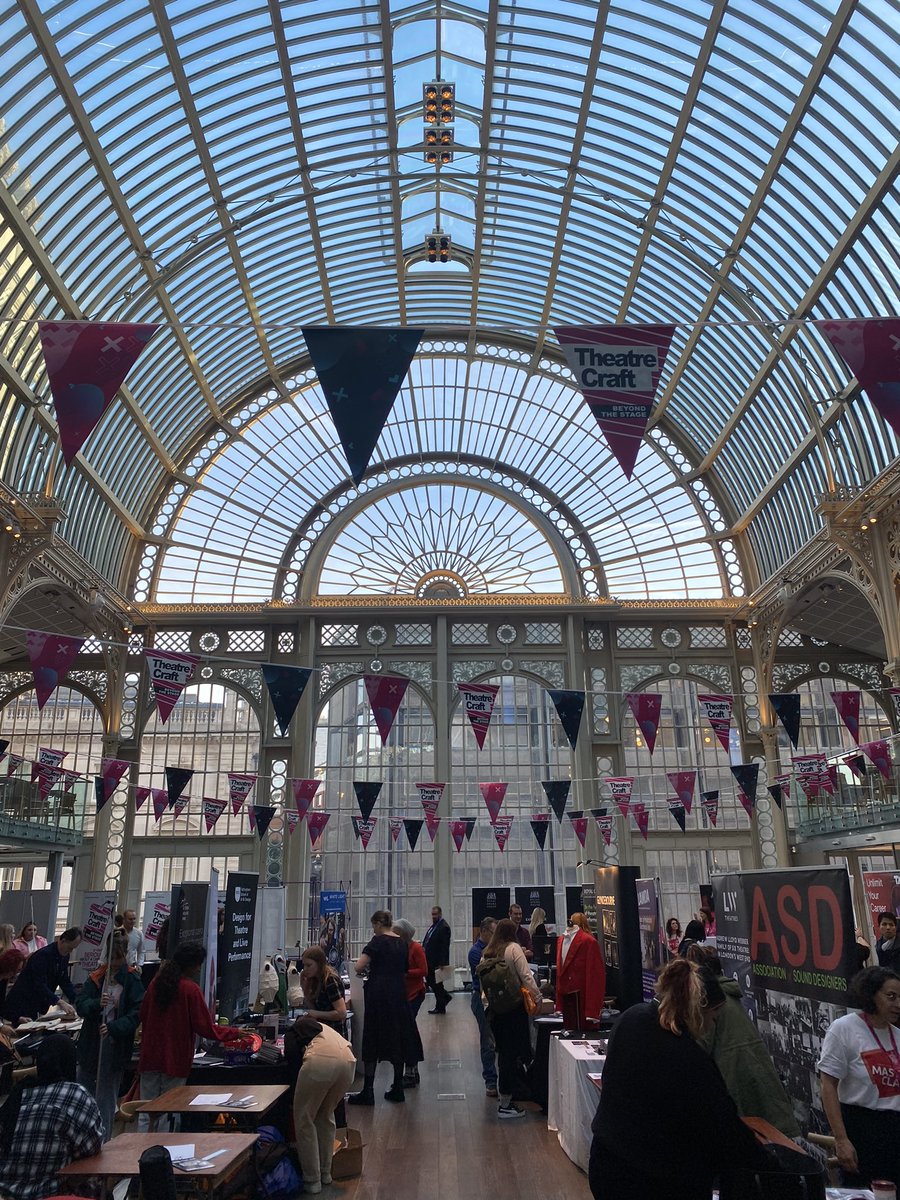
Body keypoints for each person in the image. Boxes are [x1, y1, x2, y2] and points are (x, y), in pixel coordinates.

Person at [589, 958, 768, 1199]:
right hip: (654, 1182)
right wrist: (767, 1162)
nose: (711, 1026)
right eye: (713, 1017)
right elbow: (721, 1127)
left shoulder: (630, 1019)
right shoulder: (688, 1058)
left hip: (606, 1163)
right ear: (698, 1009)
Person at [687, 944, 799, 1138]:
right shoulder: (729, 995)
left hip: (734, 1082)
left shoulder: (711, 1003)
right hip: (754, 1079)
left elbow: (699, 1047)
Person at [818, 965, 900, 1187]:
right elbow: (827, 1085)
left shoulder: (897, 1036)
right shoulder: (844, 1029)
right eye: (891, 996)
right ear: (871, 994)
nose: (898, 1004)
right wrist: (841, 1139)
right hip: (862, 1130)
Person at [0, 1033, 104, 1200]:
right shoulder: (75, 1094)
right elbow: (93, 1147)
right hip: (53, 1194)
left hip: (7, 1193)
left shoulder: (19, 1094)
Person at [138, 941, 242, 1106]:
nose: (199, 969)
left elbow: (143, 1015)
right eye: (198, 965)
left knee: (145, 1109)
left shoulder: (154, 985)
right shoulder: (191, 990)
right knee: (169, 1110)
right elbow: (206, 1029)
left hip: (150, 1056)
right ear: (191, 965)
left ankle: (142, 1133)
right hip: (176, 1059)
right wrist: (237, 1033)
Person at [75, 930, 145, 1140]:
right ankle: (81, 1134)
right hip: (91, 1041)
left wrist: (114, 1028)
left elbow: (137, 1013)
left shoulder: (132, 980)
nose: (114, 964)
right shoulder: (96, 978)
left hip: (114, 1045)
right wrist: (97, 1004)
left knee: (106, 1096)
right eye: (111, 958)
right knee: (83, 1088)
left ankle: (103, 1139)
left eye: (118, 958)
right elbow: (81, 1005)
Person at [349, 909, 418, 1105]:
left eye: (374, 926)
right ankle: (397, 1087)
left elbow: (359, 966)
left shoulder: (377, 942)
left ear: (379, 923)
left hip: (378, 995)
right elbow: (404, 969)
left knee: (372, 1038)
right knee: (398, 1037)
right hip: (398, 994)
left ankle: (368, 1090)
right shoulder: (402, 943)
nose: (374, 930)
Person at [286, 1017, 356, 1196]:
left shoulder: (292, 1032)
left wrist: (294, 1094)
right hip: (348, 1061)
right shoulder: (322, 1028)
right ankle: (326, 1173)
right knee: (325, 1115)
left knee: (304, 1119)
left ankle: (312, 1180)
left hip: (321, 1061)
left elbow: (292, 1059)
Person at [478, 918, 541, 1119]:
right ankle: (506, 1103)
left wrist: (488, 1007)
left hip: (495, 1012)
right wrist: (538, 999)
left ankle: (508, 1097)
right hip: (514, 1010)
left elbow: (483, 986)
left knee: (503, 1053)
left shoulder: (487, 953)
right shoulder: (514, 949)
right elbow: (527, 977)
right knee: (513, 1055)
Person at [3, 926, 81, 1023]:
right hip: (23, 1001)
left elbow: (64, 980)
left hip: (38, 1003)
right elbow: (39, 983)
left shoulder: (64, 956)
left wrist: (77, 1000)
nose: (70, 951)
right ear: (63, 940)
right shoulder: (43, 955)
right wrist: (59, 1001)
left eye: (73, 948)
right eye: (70, 947)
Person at [556, 912, 606, 1025]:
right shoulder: (561, 940)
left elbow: (595, 977)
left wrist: (592, 1011)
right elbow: (560, 974)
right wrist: (559, 1004)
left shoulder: (589, 942)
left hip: (582, 1000)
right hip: (567, 1000)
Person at [393, 918, 426, 1087]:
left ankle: (411, 1069)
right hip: (404, 994)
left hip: (415, 993)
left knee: (408, 1030)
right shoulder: (400, 948)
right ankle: (412, 1069)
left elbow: (423, 970)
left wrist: (405, 973)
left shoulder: (416, 948)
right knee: (408, 1030)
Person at [468, 916, 498, 1096]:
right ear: (485, 932)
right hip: (481, 999)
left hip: (492, 998)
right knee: (487, 1040)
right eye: (493, 933)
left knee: (493, 1039)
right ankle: (491, 1081)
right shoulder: (475, 952)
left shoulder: (490, 949)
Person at [298, 944, 348, 1029]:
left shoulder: (330, 980)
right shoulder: (314, 979)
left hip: (334, 1031)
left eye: (309, 965)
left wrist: (316, 1013)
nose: (305, 969)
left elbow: (341, 1013)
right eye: (304, 965)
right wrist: (305, 989)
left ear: (319, 964)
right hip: (322, 1029)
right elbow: (313, 1008)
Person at [422, 904, 452, 1013]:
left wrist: (442, 962)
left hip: (437, 962)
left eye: (435, 914)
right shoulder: (434, 926)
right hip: (429, 960)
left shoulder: (443, 927)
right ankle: (445, 998)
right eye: (432, 914)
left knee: (437, 984)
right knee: (433, 983)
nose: (433, 916)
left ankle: (441, 1006)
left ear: (440, 914)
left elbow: (444, 946)